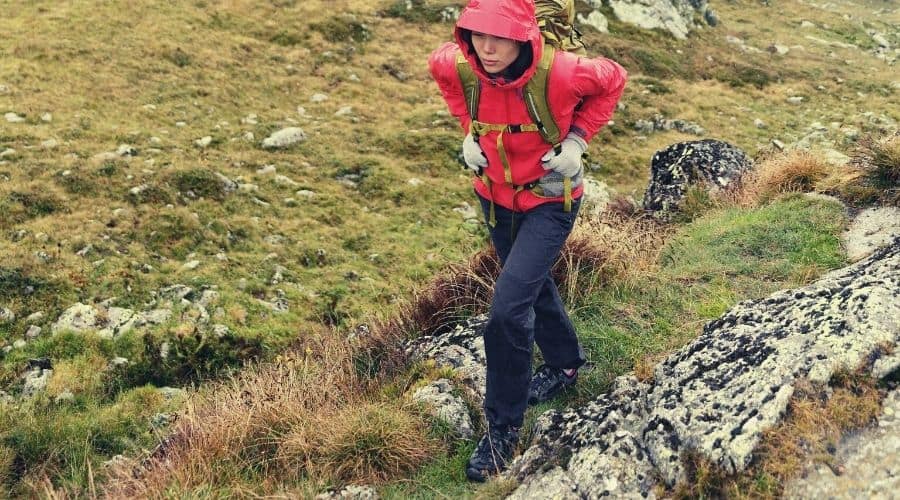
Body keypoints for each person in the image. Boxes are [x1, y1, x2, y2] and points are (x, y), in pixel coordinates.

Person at [428, 0, 627, 482]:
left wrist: (577, 141)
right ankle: (564, 367)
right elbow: (447, 82)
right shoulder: (455, 63)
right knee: (531, 287)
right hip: (495, 200)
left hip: (550, 202)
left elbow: (613, 78)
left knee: (506, 310)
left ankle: (502, 429)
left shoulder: (561, 72)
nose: (487, 47)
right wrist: (468, 132)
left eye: (499, 36)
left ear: (524, 35)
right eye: (477, 34)